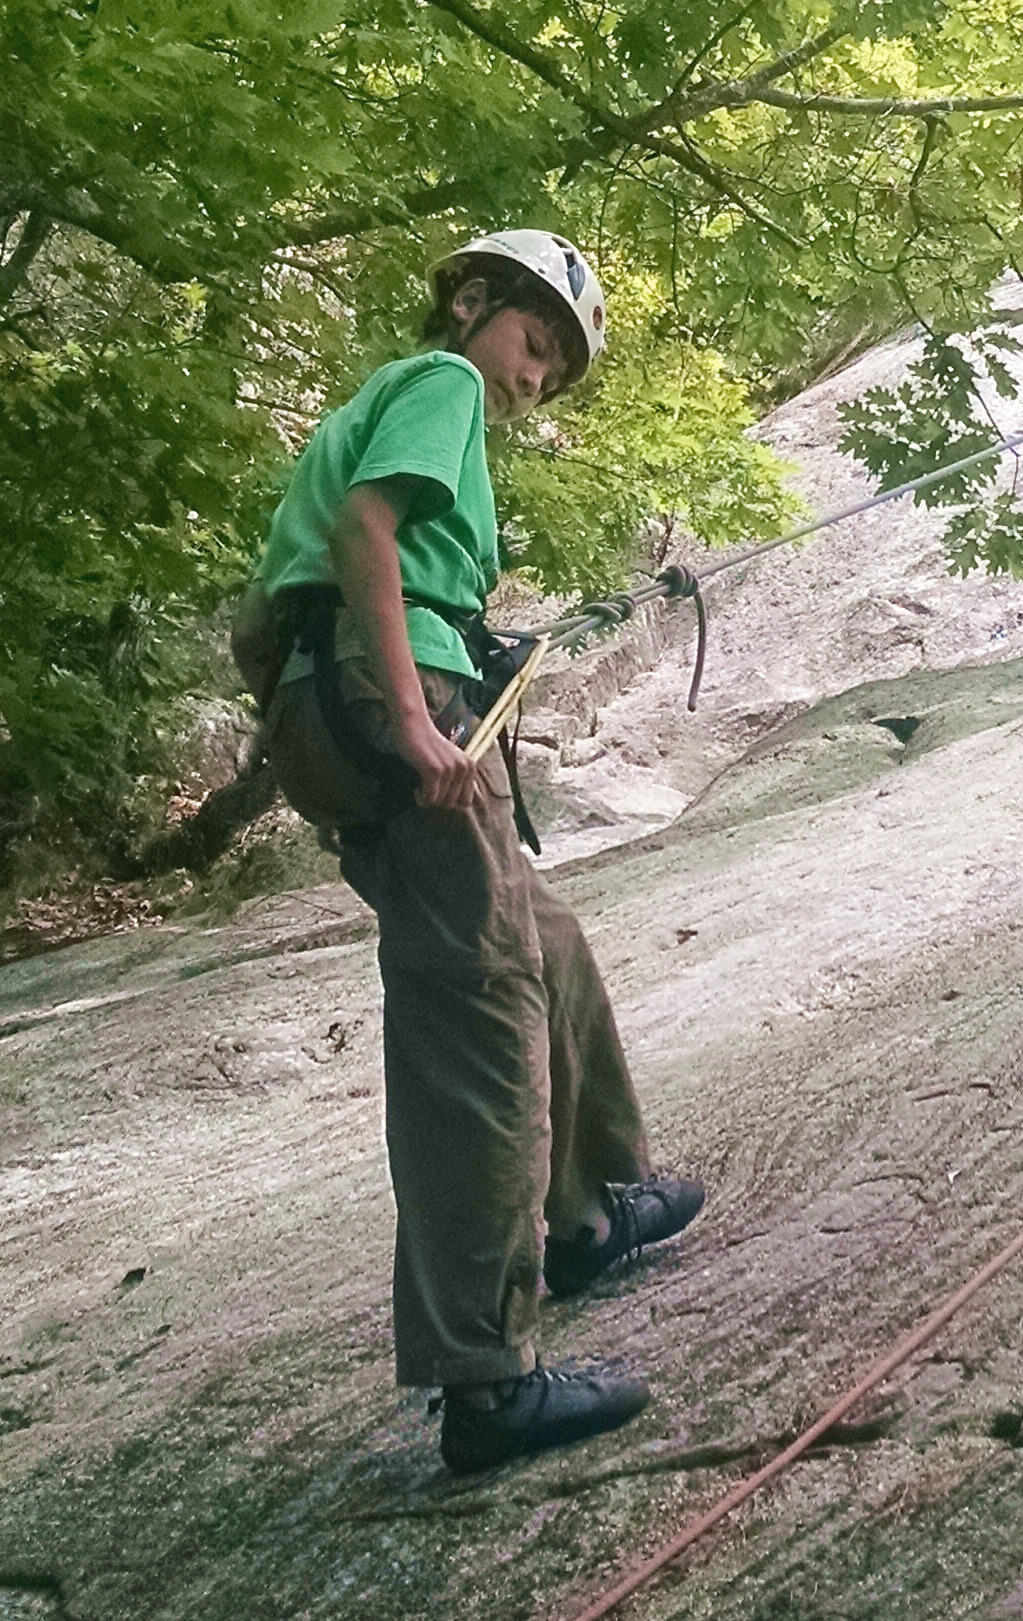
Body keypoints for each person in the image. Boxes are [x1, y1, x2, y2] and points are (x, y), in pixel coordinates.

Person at [232, 230, 705, 1473]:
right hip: (389, 707)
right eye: (534, 341)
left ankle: (591, 1209)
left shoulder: (397, 399)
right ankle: (487, 1378)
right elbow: (367, 535)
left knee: (533, 934)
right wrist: (406, 712)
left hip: (340, 700)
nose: (535, 376)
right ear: (470, 301)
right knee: (477, 1014)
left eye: (553, 366)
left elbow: (373, 557)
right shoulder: (438, 382)